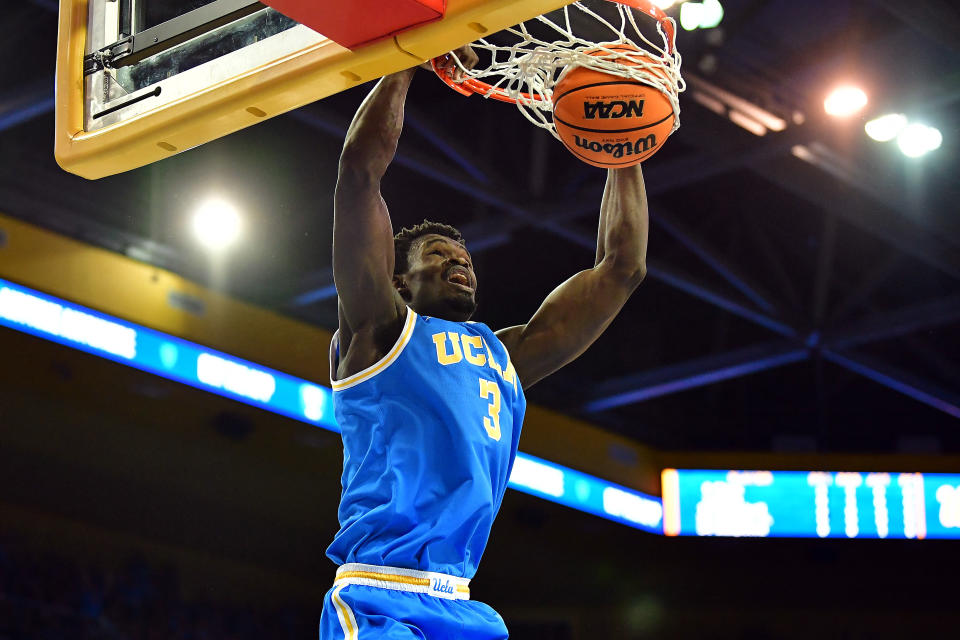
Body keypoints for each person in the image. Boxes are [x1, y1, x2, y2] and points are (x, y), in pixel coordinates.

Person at [320, 49, 649, 640]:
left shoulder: (506, 358)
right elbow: (358, 172)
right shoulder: (378, 329)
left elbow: (621, 267)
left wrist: (624, 147)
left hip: (463, 603)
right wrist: (407, 60)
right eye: (439, 256)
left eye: (465, 256)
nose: (459, 262)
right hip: (379, 594)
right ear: (400, 279)